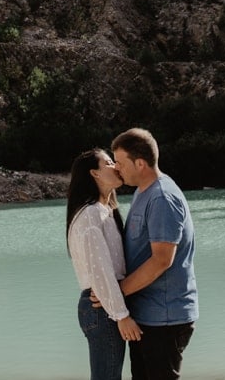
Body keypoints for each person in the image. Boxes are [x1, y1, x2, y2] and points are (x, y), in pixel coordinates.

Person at [111, 128, 198, 380]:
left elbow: (162, 260)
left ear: (140, 163)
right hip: (148, 316)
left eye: (120, 163)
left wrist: (118, 292)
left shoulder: (161, 198)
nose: (117, 169)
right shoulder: (143, 191)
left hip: (165, 319)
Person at [67, 148, 143, 380]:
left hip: (104, 304)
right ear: (95, 174)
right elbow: (100, 270)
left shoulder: (104, 211)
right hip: (102, 308)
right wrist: (121, 315)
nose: (116, 166)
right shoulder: (91, 214)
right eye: (109, 162)